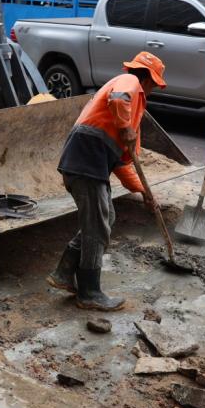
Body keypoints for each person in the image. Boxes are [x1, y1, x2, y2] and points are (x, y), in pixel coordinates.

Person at [50, 51, 166, 311]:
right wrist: (125, 126)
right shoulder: (130, 83)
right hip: (86, 159)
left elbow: (124, 165)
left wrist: (144, 191)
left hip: (90, 163)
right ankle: (89, 292)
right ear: (148, 78)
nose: (154, 90)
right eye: (155, 84)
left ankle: (64, 272)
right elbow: (118, 99)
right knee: (97, 226)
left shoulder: (133, 113)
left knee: (105, 218)